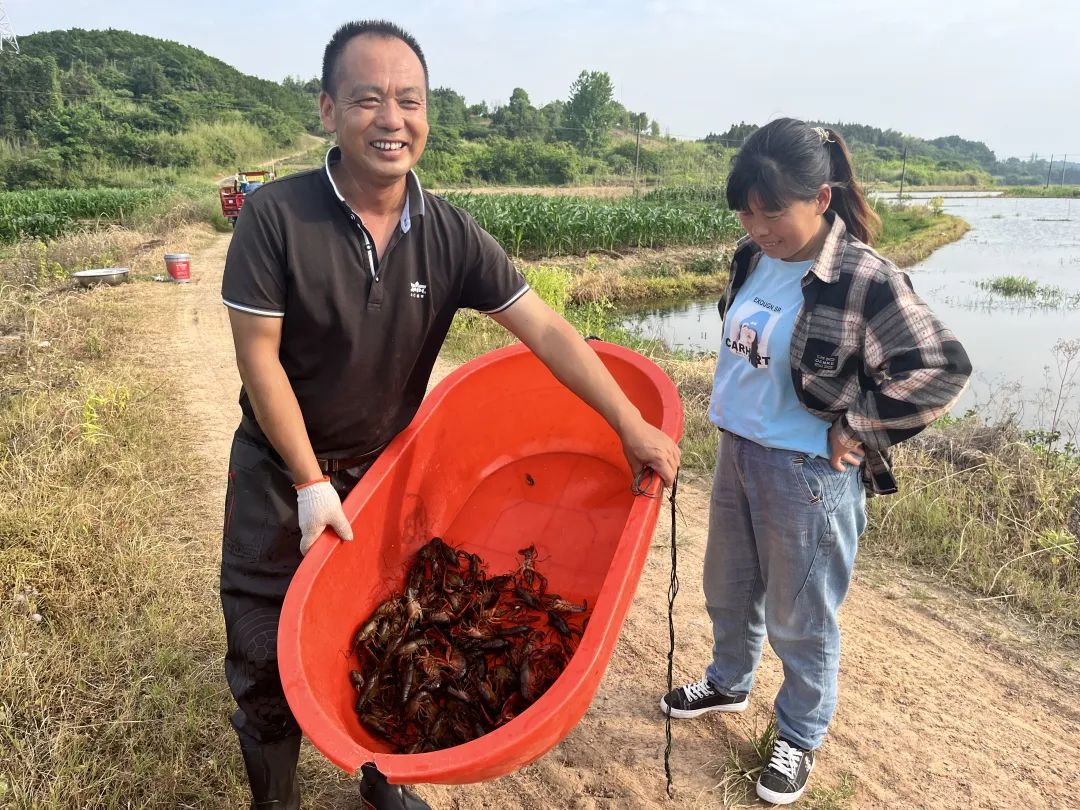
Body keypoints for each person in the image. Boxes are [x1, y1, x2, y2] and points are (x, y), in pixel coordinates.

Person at [219, 19, 680, 810]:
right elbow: (259, 356)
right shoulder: (277, 218)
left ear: (427, 116)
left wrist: (626, 424)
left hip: (386, 469)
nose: (390, 118)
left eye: (410, 100)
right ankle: (275, 797)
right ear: (329, 110)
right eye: (368, 98)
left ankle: (382, 779)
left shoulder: (449, 232)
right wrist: (305, 483)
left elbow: (544, 329)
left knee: (390, 632)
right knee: (265, 645)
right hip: (278, 473)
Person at [658, 119, 971, 805]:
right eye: (746, 210)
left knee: (804, 616)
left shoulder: (863, 277)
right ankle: (729, 682)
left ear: (822, 198)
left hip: (805, 475)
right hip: (737, 451)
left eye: (772, 212)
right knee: (730, 588)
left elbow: (941, 367)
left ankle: (798, 734)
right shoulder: (752, 255)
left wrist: (861, 424)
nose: (757, 224)